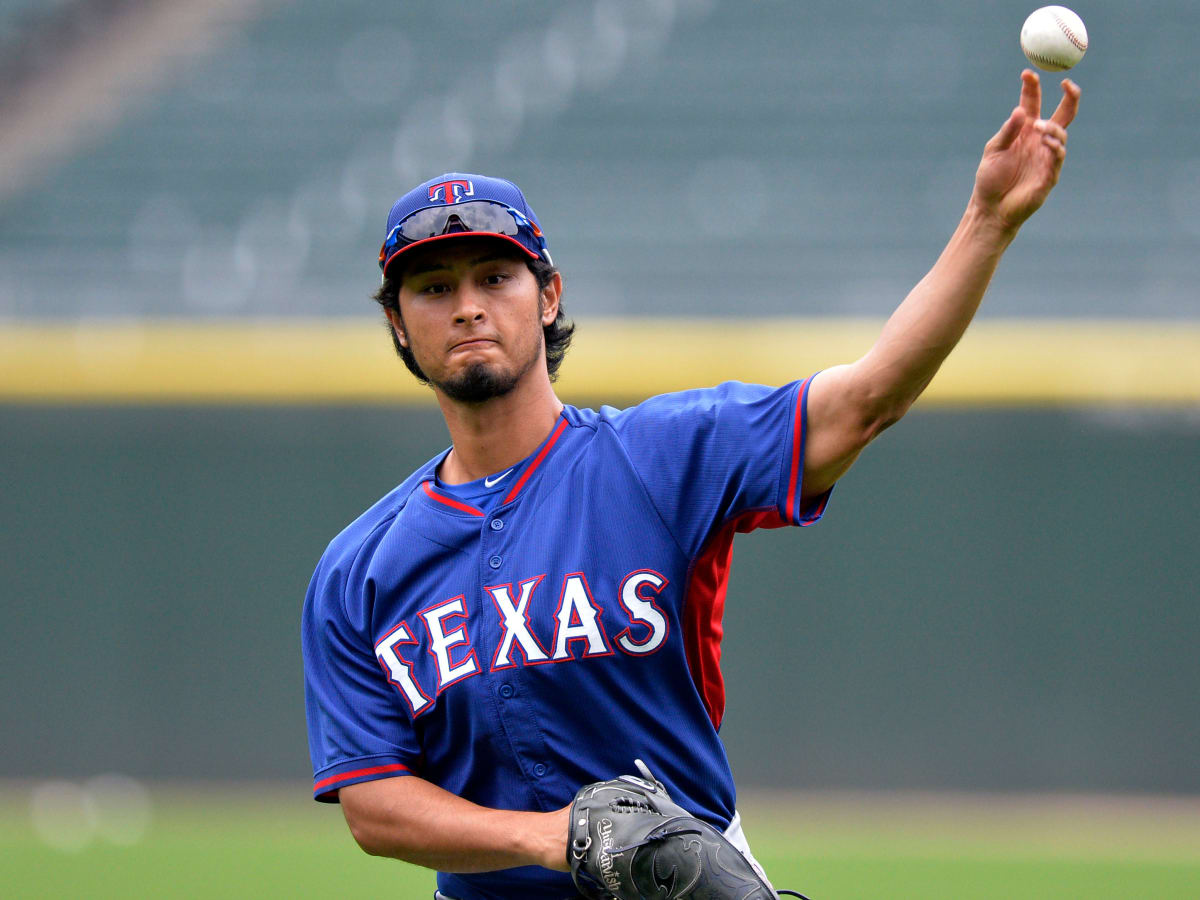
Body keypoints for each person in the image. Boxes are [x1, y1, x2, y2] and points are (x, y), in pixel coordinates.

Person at [302, 70, 1081, 900]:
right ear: (397, 322)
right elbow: (375, 806)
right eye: (433, 287)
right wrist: (552, 839)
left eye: (495, 277)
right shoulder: (361, 570)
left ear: (549, 294)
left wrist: (988, 222)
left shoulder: (658, 456)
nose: (467, 307)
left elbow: (865, 400)